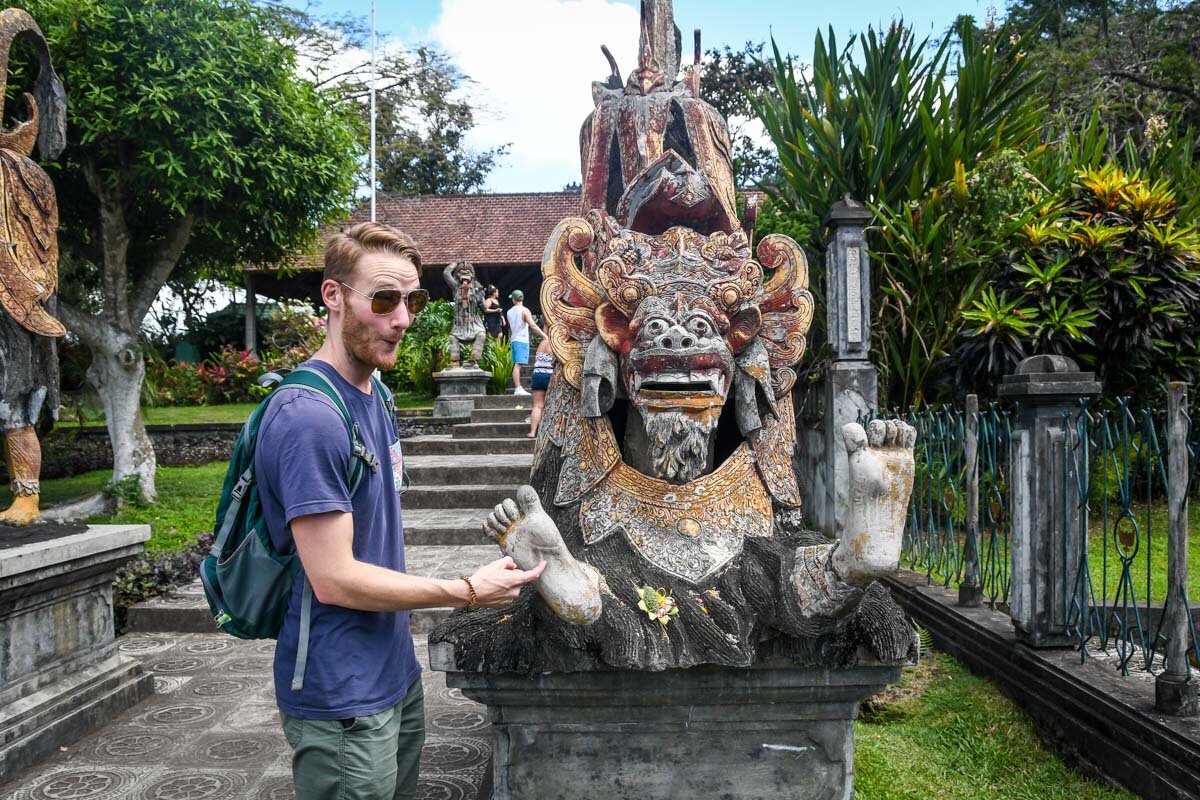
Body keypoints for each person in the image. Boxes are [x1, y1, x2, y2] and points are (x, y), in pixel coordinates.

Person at [255, 222, 545, 800]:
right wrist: (465, 589)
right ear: (333, 297)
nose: (404, 319)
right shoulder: (309, 418)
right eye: (384, 299)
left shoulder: (376, 395)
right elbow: (334, 579)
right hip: (341, 692)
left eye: (412, 300)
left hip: (392, 670)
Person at [505, 289, 546, 395]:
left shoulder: (509, 312)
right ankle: (518, 388)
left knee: (517, 364)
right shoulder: (525, 311)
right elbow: (532, 325)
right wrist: (544, 336)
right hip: (522, 340)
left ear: (514, 300)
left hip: (514, 339)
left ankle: (518, 388)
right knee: (518, 365)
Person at [528, 336, 555, 438]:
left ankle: (532, 432)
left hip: (537, 374)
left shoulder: (542, 343)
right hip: (550, 375)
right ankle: (549, 432)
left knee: (537, 405)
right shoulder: (556, 344)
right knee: (552, 404)